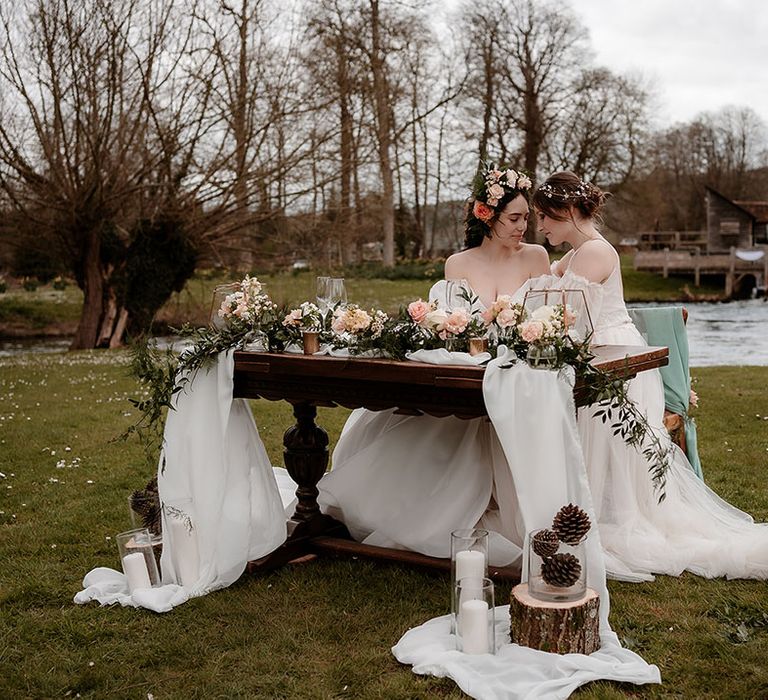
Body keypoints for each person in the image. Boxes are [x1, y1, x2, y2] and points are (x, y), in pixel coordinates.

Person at [522, 171, 768, 581]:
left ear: (566, 211)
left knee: (602, 440)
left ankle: (599, 516)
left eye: (544, 217)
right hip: (595, 352)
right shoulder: (575, 253)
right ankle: (581, 511)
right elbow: (549, 290)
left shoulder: (596, 253)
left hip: (617, 359)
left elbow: (563, 313)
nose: (540, 226)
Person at [316, 164, 549, 563]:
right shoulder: (457, 264)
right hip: (465, 368)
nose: (523, 225)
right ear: (486, 216)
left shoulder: (536, 257)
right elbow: (447, 325)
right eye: (514, 217)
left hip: (517, 371)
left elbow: (546, 319)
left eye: (527, 217)